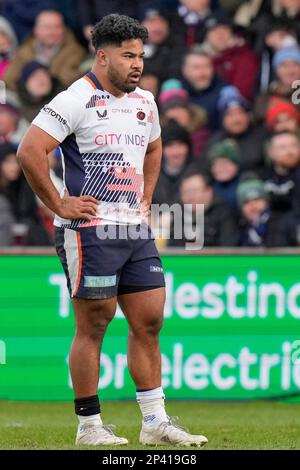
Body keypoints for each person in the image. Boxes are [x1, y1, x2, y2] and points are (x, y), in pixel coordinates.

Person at [17, 14, 208, 448]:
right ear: (102, 56)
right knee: (95, 325)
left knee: (150, 319)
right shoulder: (75, 99)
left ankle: (154, 421)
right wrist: (59, 203)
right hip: (88, 229)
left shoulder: (146, 101)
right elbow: (30, 150)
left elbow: (154, 145)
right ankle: (89, 426)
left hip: (133, 228)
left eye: (140, 55)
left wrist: (148, 195)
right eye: (128, 56)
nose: (137, 64)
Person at [4, 9, 85, 91]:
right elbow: (9, 79)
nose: (52, 32)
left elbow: (75, 80)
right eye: (47, 27)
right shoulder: (24, 52)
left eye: (57, 27)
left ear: (64, 29)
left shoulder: (76, 52)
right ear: (36, 30)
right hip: (26, 100)